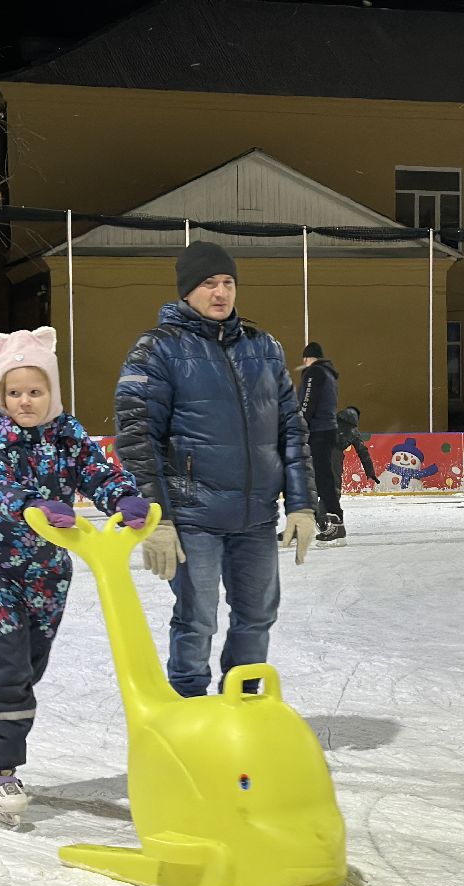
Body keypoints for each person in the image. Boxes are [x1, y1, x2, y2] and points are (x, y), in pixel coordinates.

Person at [0, 327, 148, 827]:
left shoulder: (68, 435)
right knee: (9, 668)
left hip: (49, 572)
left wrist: (123, 498)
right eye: (14, 392)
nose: (24, 401)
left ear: (53, 393)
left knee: (29, 668)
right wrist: (30, 505)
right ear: (1, 395)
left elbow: (99, 472)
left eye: (35, 391)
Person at [114, 241, 317, 698]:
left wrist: (302, 504)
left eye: (227, 282)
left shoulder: (263, 348)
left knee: (259, 615)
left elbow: (291, 430)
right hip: (193, 516)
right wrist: (156, 516)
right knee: (198, 618)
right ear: (187, 291)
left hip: (256, 515)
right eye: (209, 283)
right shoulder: (157, 349)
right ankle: (188, 703)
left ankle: (243, 700)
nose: (221, 292)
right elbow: (136, 438)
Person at [298, 342, 343, 542]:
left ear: (308, 358)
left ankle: (335, 523)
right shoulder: (329, 374)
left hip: (318, 432)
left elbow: (307, 403)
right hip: (327, 430)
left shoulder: (314, 373)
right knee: (317, 478)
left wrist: (298, 426)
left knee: (320, 479)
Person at [334, 404, 380, 495]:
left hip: (319, 451)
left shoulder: (330, 420)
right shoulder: (354, 432)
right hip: (335, 456)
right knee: (334, 486)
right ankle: (328, 507)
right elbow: (363, 453)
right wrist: (370, 472)